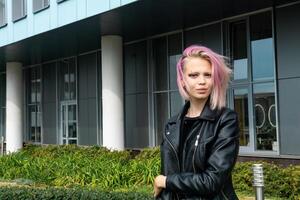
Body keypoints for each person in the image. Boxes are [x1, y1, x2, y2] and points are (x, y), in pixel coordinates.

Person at [153, 45, 240, 200]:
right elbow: (167, 181)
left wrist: (166, 181)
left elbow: (212, 181)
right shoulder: (171, 125)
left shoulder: (226, 120)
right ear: (183, 80)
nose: (202, 81)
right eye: (194, 75)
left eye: (208, 75)